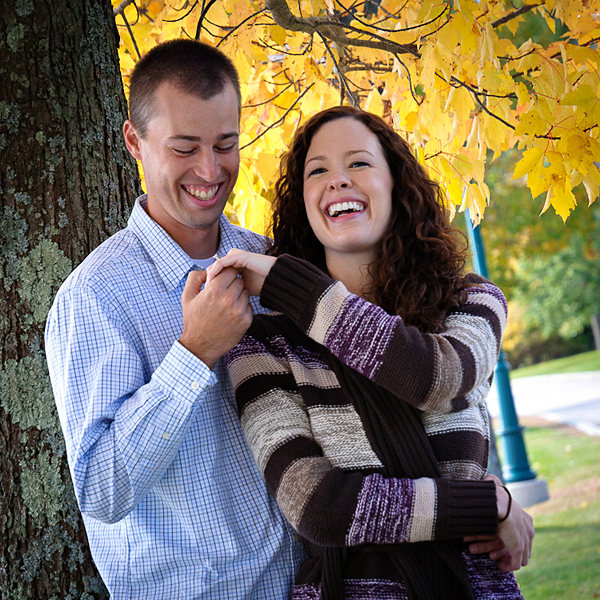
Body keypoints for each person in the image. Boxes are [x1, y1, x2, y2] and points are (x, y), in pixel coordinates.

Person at [208, 106, 534, 599]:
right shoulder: (264, 344)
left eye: (358, 163)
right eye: (318, 171)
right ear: (303, 203)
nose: (337, 180)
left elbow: (438, 376)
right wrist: (487, 505)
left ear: (396, 184)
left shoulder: (471, 303)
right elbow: (316, 504)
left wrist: (299, 291)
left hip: (476, 587)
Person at [45, 39, 304, 599]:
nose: (210, 171)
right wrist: (193, 354)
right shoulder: (93, 297)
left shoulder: (271, 261)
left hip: (307, 585)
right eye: (185, 147)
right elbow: (102, 490)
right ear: (135, 142)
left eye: (225, 144)